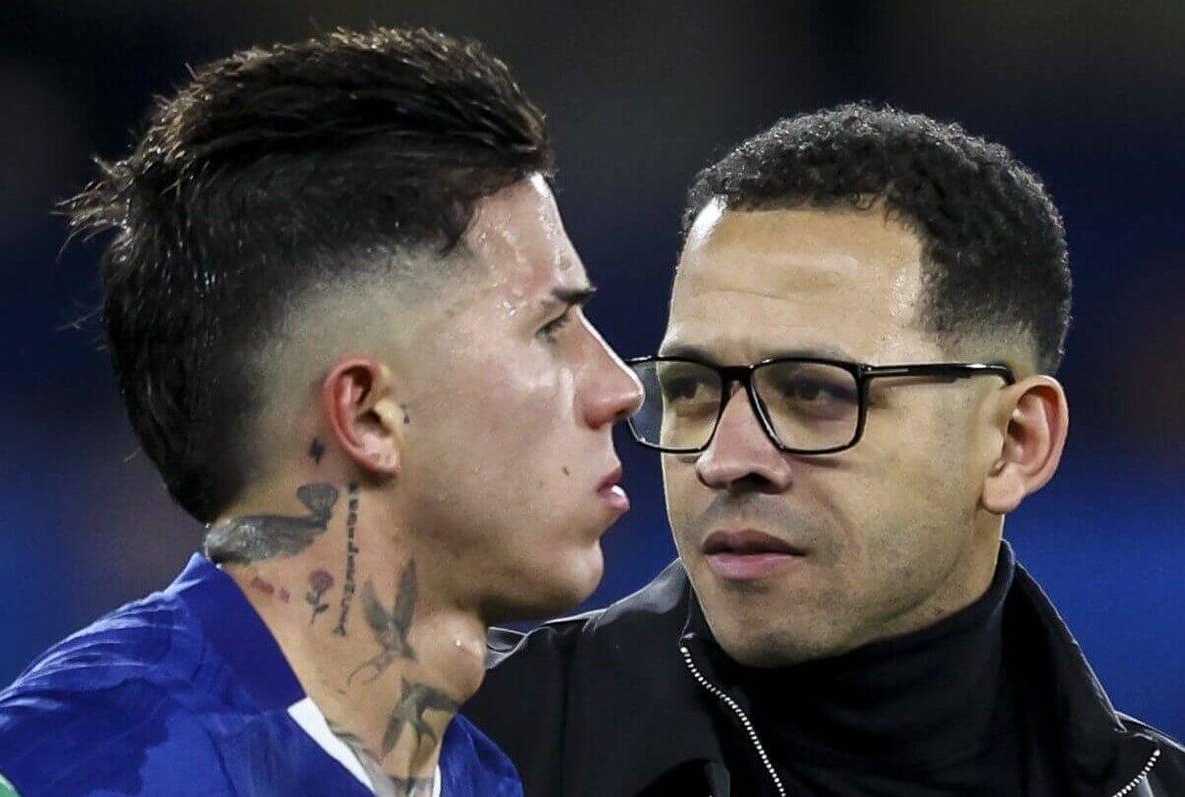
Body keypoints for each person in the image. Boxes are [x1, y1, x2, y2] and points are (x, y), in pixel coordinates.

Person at [0, 27, 642, 797]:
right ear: (366, 416)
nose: (618, 387)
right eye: (550, 327)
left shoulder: (479, 778)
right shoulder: (79, 772)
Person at [464, 104, 1185, 796]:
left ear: (1013, 444)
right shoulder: (466, 747)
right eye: (691, 388)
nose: (725, 459)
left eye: (813, 392)